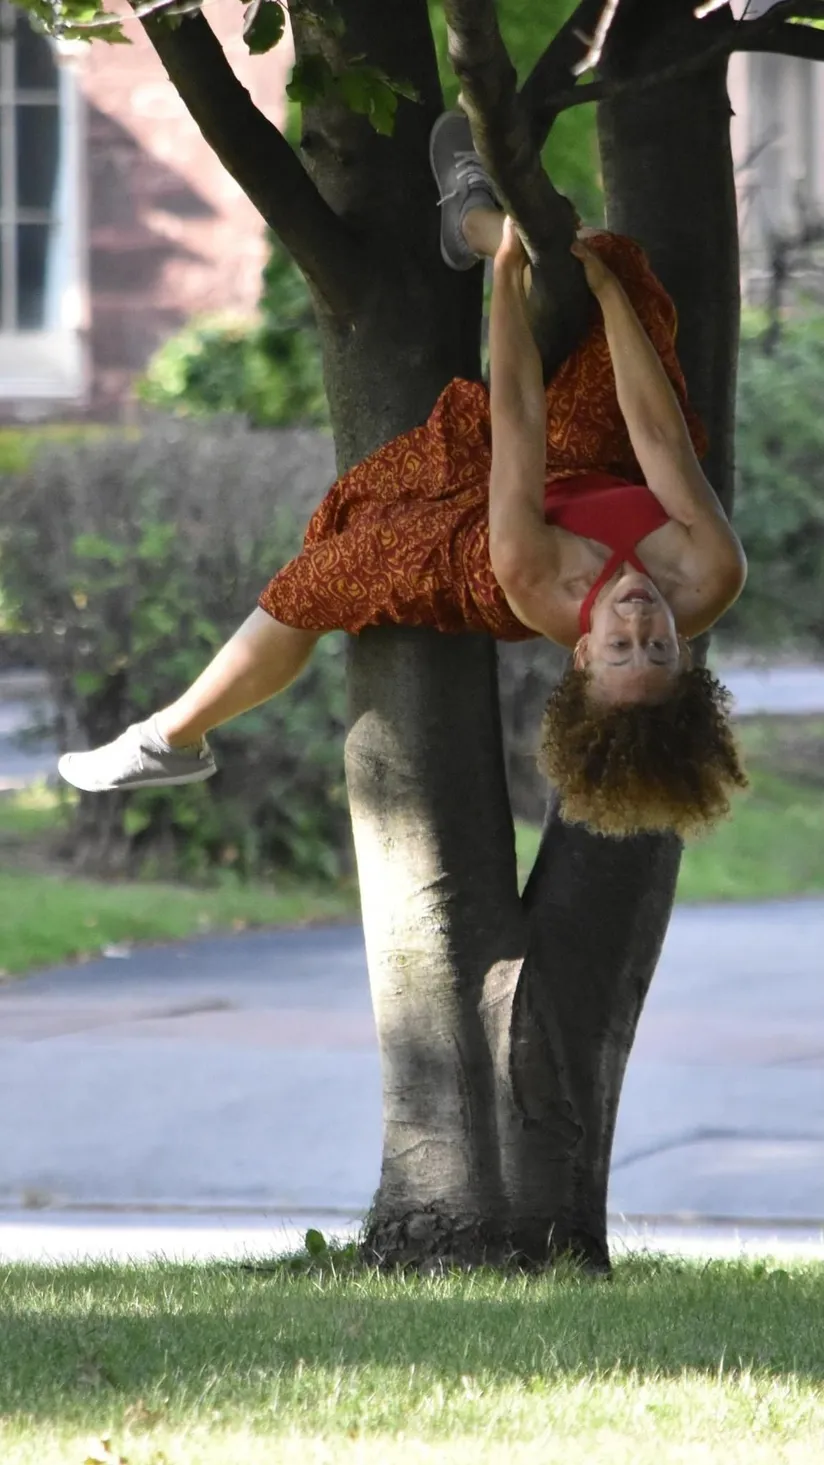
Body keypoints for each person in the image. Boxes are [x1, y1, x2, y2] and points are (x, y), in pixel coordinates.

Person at [58, 111, 748, 838]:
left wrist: (507, 282)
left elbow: (514, 417)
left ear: (582, 653)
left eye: (620, 646)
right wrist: (606, 294)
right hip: (594, 466)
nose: (639, 620)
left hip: (478, 548)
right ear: (685, 652)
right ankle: (477, 224)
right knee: (616, 263)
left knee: (317, 579)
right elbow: (660, 436)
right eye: (658, 645)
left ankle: (170, 737)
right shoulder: (710, 571)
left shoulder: (533, 572)